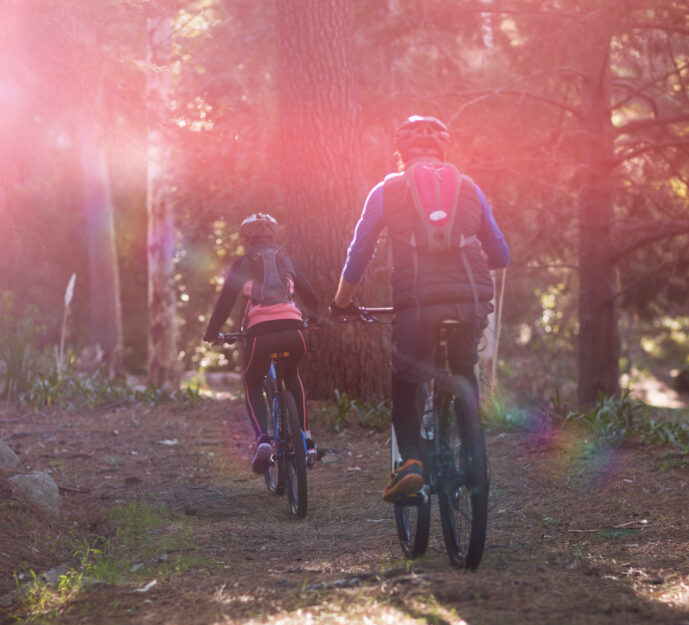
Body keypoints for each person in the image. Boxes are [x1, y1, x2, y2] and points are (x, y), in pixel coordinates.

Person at [331, 115, 510, 503]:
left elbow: (359, 252)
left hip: (416, 302)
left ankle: (410, 464)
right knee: (463, 369)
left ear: (401, 153)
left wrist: (342, 301)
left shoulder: (387, 189)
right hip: (469, 300)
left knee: (407, 380)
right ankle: (473, 454)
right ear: (442, 151)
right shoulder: (468, 187)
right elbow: (500, 253)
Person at [204, 213, 321, 474]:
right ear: (273, 235)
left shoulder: (242, 263)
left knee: (253, 384)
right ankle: (307, 438)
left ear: (247, 238)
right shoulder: (286, 258)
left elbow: (225, 302)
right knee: (292, 375)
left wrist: (213, 332)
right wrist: (314, 318)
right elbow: (311, 296)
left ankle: (263, 440)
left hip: (260, 335)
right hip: (294, 330)